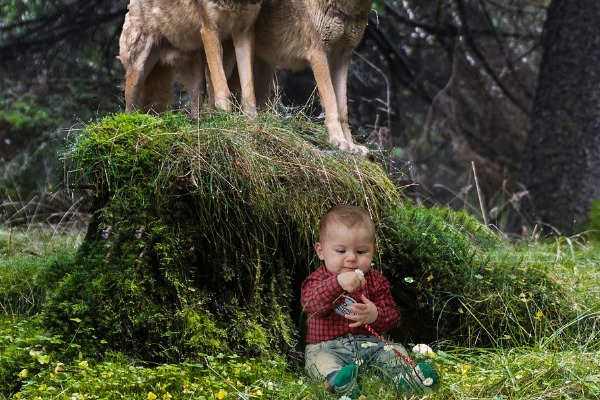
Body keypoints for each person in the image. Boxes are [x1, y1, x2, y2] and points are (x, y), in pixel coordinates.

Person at [301, 205, 437, 398]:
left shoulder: (376, 280)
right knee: (318, 361)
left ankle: (407, 379)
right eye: (340, 251)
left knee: (393, 350)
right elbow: (313, 306)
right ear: (321, 251)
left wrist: (375, 315)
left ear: (373, 251)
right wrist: (337, 283)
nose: (351, 258)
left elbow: (393, 315)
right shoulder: (316, 280)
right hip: (327, 346)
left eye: (360, 251)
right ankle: (338, 382)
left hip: (370, 345)